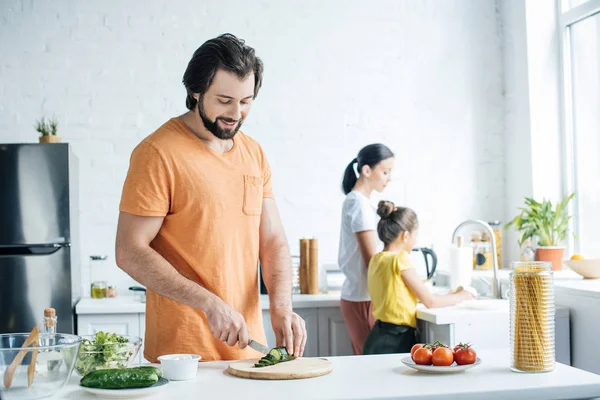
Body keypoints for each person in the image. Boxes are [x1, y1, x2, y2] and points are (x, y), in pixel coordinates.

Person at [115, 33, 306, 362]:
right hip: (183, 358)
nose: (236, 113)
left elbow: (273, 240)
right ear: (195, 91)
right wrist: (208, 303)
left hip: (249, 352)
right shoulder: (157, 153)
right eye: (224, 100)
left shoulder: (254, 153)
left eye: (246, 101)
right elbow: (129, 251)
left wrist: (281, 306)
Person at [363, 201, 475, 355]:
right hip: (396, 340)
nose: (416, 241)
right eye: (416, 235)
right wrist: (462, 296)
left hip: (377, 337)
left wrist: (450, 295)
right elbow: (431, 301)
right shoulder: (399, 259)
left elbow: (400, 295)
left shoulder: (376, 259)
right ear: (406, 236)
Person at [337, 144, 395, 355]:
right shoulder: (358, 204)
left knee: (366, 362)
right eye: (385, 171)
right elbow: (372, 260)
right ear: (367, 170)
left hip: (363, 296)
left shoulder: (360, 202)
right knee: (368, 362)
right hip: (361, 297)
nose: (389, 178)